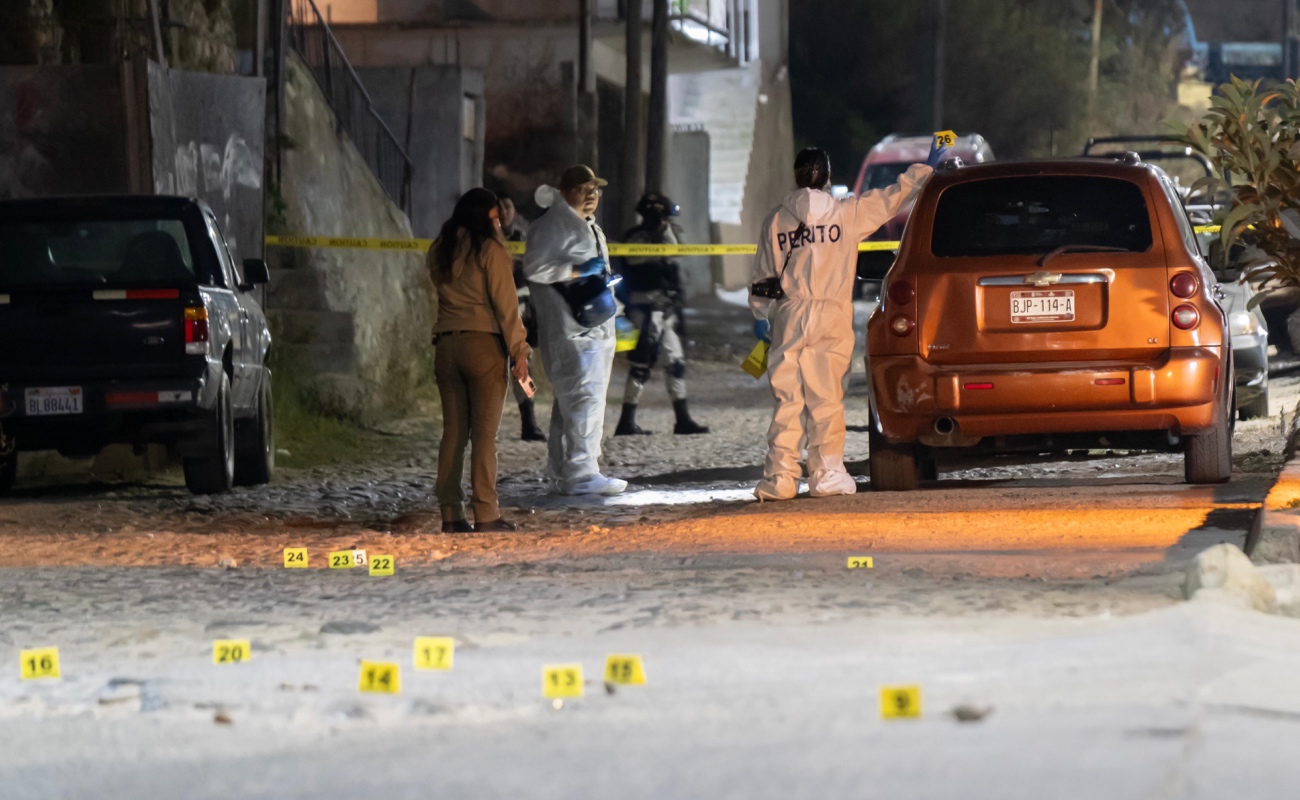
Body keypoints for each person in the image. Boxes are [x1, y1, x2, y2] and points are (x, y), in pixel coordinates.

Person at [748, 139, 948, 501]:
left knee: (788, 400)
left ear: (795, 177)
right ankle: (826, 475)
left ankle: (779, 479)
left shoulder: (776, 220)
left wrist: (760, 317)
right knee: (825, 399)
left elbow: (764, 277)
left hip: (789, 315)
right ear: (828, 178)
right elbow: (891, 198)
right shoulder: (847, 214)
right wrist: (925, 169)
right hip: (830, 313)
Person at [429, 188, 531, 532]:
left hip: (446, 346)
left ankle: (450, 513)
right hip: (482, 346)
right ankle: (486, 512)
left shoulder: (441, 249)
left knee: (453, 433)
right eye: (494, 215)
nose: (500, 220)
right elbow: (506, 306)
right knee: (485, 436)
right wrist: (520, 352)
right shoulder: (490, 249)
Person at [524, 165, 628, 496]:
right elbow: (535, 268)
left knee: (569, 404)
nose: (592, 195)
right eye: (585, 189)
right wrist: (577, 270)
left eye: (595, 189)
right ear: (565, 192)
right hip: (575, 332)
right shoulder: (554, 225)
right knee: (585, 399)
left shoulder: (582, 225)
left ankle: (562, 471)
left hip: (589, 330)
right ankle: (583, 473)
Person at [614, 192, 709, 436]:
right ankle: (626, 421)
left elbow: (677, 252)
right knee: (641, 363)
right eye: (664, 216)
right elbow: (657, 256)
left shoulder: (668, 235)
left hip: (664, 309)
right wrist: (661, 233)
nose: (666, 221)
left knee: (675, 362)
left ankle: (683, 419)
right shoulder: (634, 238)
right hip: (644, 308)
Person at [498, 194, 546, 442]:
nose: (503, 212)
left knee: (524, 371)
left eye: (507, 206)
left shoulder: (524, 240)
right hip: (490, 316)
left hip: (521, 315)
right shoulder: (483, 241)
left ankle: (530, 421)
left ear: (514, 210)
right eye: (498, 207)